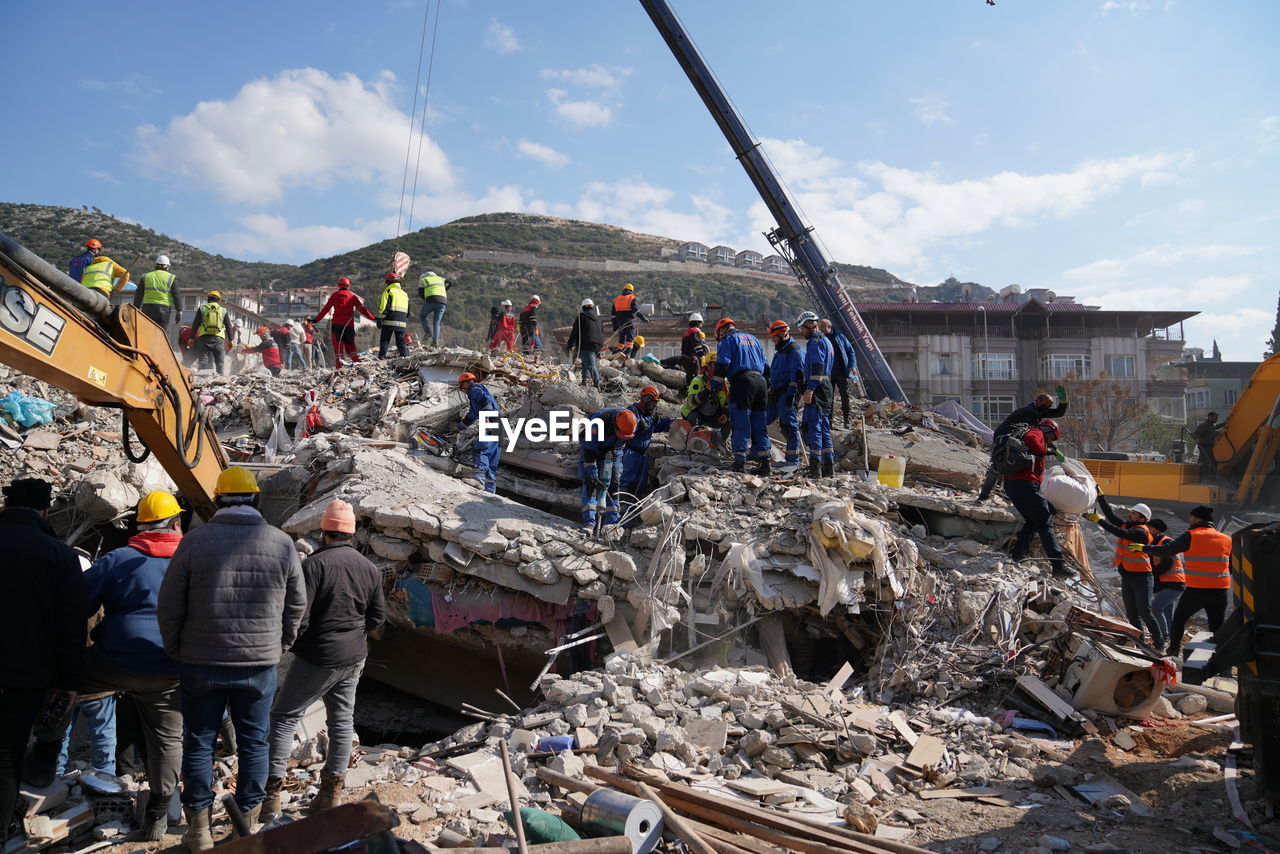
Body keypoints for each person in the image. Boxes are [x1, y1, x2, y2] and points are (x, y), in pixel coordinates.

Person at [157, 466, 306, 851]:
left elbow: (169, 604)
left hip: (200, 663)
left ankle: (199, 832)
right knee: (255, 743)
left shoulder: (193, 541)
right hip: (258, 664)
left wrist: (177, 649)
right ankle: (248, 822)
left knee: (199, 743)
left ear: (218, 500)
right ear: (255, 498)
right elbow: (297, 605)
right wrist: (280, 645)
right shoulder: (281, 542)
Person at [263, 500, 384, 818]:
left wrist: (290, 645)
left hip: (319, 657)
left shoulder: (314, 566)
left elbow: (298, 616)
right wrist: (353, 633)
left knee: (284, 717)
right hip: (354, 657)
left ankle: (271, 797)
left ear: (324, 530)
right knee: (342, 722)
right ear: (352, 533)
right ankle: (331, 795)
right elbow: (376, 617)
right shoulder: (369, 568)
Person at [76, 492, 186, 840]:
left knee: (61, 684)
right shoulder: (192, 560)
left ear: (140, 525)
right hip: (169, 667)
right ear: (175, 522)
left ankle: (44, 766)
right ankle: (157, 816)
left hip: (112, 662)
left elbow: (76, 605)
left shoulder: (118, 558)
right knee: (168, 739)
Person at [0, 479, 84, 844]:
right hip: (24, 677)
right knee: (6, 758)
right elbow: (71, 628)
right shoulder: (59, 556)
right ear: (45, 510)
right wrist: (68, 683)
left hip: (23, 674)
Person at [1129, 505, 1230, 658]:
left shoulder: (1192, 535)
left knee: (1179, 620)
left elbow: (1166, 551)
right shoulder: (1226, 539)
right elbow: (1233, 566)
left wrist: (1143, 548)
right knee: (1217, 627)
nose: (1189, 520)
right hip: (1221, 591)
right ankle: (1222, 663)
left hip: (1197, 589)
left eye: (1191, 517)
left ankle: (1174, 651)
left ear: (1197, 519)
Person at [1084, 499, 1162, 649]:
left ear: (1142, 518)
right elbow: (1111, 516)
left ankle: (1159, 644)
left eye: (1134, 513)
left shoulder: (1140, 532)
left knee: (1145, 612)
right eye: (1131, 512)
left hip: (1142, 578)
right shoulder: (1130, 526)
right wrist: (1101, 497)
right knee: (1132, 614)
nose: (1130, 515)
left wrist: (1099, 521)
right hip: (1128, 576)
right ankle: (1140, 643)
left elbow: (1120, 532)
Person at [1004, 419, 1071, 578]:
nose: (1049, 441)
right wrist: (1047, 450)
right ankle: (1058, 564)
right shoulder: (1036, 432)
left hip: (1013, 485)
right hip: (1026, 483)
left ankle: (1019, 551)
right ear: (1048, 431)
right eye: (1050, 438)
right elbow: (1033, 442)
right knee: (1045, 521)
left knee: (1033, 519)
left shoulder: (1023, 435)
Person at [977, 389, 1070, 502]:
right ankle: (984, 496)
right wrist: (1052, 449)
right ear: (1038, 401)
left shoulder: (1038, 410)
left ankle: (1002, 492)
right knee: (999, 464)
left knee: (1012, 465)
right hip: (1004, 438)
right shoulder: (1030, 412)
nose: (1047, 408)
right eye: (1046, 405)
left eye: (1049, 406)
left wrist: (1064, 403)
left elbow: (1057, 413)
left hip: (1015, 438)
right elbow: (1034, 436)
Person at [712, 318, 769, 474]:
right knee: (759, 422)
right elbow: (766, 365)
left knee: (740, 421)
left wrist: (714, 386)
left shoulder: (727, 340)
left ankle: (739, 463)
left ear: (721, 330)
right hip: (761, 382)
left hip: (742, 382)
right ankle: (765, 463)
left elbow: (722, 364)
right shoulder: (754, 339)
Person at [618, 387, 673, 518]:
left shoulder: (648, 414)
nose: (655, 405)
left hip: (642, 456)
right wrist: (640, 423)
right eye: (653, 402)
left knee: (639, 487)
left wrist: (675, 422)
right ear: (647, 399)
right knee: (626, 485)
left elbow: (660, 425)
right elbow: (627, 425)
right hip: (630, 453)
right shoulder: (632, 411)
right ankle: (618, 515)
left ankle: (631, 518)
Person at [579, 409, 638, 529]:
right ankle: (589, 522)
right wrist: (592, 470)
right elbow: (590, 450)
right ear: (615, 426)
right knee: (590, 481)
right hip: (593, 446)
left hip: (614, 449)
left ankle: (611, 523)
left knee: (613, 483)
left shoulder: (631, 424)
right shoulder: (598, 422)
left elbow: (619, 448)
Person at [797, 312, 835, 478]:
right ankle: (829, 467)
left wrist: (810, 389)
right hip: (826, 386)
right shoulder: (827, 340)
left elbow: (817, 366)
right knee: (824, 427)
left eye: (801, 328)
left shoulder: (815, 342)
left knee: (814, 427)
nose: (801, 332)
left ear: (809, 325)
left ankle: (815, 469)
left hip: (818, 387)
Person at [765, 320, 804, 471]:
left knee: (789, 426)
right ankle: (759, 453)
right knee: (762, 422)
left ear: (782, 334)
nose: (773, 339)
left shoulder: (793, 350)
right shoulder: (780, 350)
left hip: (787, 394)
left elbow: (798, 373)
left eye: (774, 336)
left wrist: (792, 394)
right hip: (775, 393)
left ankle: (793, 462)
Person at [313, 278, 376, 369]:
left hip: (337, 326)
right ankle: (360, 366)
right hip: (349, 326)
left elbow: (325, 310)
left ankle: (340, 369)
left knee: (338, 349)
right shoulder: (353, 297)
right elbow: (362, 310)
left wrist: (315, 320)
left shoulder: (334, 296)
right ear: (348, 286)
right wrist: (373, 318)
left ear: (339, 285)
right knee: (351, 348)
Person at [1146, 518, 1187, 654]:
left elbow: (1168, 563)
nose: (1147, 531)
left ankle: (1164, 637)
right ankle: (1172, 644)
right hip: (1170, 582)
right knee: (1169, 613)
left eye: (1149, 528)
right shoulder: (1157, 542)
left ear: (1156, 530)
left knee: (1156, 607)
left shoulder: (1166, 542)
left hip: (1173, 582)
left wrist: (1153, 575)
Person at [456, 373, 500, 493]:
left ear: (466, 382)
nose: (463, 390)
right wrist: (460, 427)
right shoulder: (475, 396)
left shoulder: (474, 389)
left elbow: (485, 401)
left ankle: (478, 478)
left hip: (490, 421)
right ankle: (490, 491)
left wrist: (486, 417)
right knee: (491, 457)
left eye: (462, 387)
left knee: (481, 448)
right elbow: (472, 415)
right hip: (499, 424)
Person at [818, 318, 859, 427]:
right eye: (820, 326)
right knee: (828, 397)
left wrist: (853, 366)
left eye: (823, 326)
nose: (821, 329)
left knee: (845, 396)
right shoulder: (819, 339)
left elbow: (850, 352)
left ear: (829, 327)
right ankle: (829, 421)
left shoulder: (840, 337)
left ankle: (847, 420)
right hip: (827, 374)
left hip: (841, 372)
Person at [681, 353, 729, 438]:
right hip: (697, 413)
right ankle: (692, 442)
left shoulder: (725, 383)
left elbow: (728, 401)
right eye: (716, 365)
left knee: (729, 421)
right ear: (708, 366)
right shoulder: (698, 380)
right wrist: (707, 392)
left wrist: (725, 413)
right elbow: (692, 401)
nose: (719, 369)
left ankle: (720, 443)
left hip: (713, 416)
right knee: (693, 419)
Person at [133, 256, 181, 336]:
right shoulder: (171, 278)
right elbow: (176, 295)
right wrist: (179, 311)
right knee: (161, 335)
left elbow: (139, 294)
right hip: (163, 310)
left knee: (147, 334)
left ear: (156, 265)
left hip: (147, 309)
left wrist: (135, 308)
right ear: (167, 266)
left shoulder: (146, 276)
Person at [567, 299, 605, 389]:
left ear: (583, 307)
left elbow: (575, 332)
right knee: (585, 361)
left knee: (591, 365)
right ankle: (585, 380)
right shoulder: (598, 319)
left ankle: (597, 383)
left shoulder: (581, 317)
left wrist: (570, 344)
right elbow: (602, 332)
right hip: (598, 344)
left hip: (588, 343)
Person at [666, 312, 708, 385]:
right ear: (698, 323)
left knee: (689, 377)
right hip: (692, 359)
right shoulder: (694, 331)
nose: (701, 326)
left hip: (685, 358)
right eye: (701, 323)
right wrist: (702, 356)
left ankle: (686, 391)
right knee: (695, 377)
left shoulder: (687, 332)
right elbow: (697, 345)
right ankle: (692, 392)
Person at [193, 291, 228, 374]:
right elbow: (228, 325)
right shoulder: (223, 310)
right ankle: (221, 378)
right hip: (219, 338)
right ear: (219, 300)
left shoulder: (202, 308)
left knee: (203, 360)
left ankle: (198, 374)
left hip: (204, 337)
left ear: (208, 299)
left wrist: (191, 338)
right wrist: (230, 339)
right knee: (219, 361)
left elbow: (195, 324)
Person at [376, 274, 410, 359]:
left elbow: (383, 307)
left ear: (388, 282)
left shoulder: (388, 291)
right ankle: (405, 356)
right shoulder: (404, 294)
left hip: (389, 321)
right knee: (401, 341)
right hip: (402, 322)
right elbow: (408, 312)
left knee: (385, 340)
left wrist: (380, 318)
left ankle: (382, 357)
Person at [418, 270, 448, 346]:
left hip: (431, 299)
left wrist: (426, 298)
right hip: (443, 301)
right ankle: (435, 341)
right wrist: (444, 290)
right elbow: (450, 283)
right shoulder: (440, 278)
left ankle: (428, 332)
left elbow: (420, 293)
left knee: (422, 316)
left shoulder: (423, 279)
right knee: (436, 321)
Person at [1192, 412, 1220, 481]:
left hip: (1209, 446)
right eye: (1215, 417)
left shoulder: (1211, 425)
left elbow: (1215, 427)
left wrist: (1224, 423)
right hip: (1204, 446)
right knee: (1205, 461)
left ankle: (1212, 477)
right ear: (1210, 417)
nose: (1216, 419)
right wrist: (1197, 439)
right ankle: (1202, 478)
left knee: (1213, 461)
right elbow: (1195, 433)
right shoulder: (1204, 425)